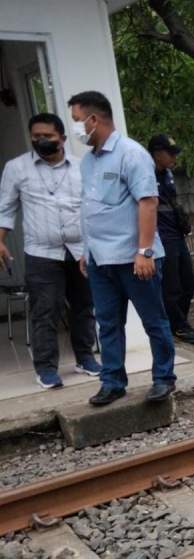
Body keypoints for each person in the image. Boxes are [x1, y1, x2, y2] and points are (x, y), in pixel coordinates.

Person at [69, 91, 176, 405]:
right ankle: (113, 381)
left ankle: (163, 378)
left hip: (135, 258)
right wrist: (86, 252)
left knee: (153, 320)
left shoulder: (131, 153)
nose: (76, 128)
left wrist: (144, 251)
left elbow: (148, 202)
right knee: (108, 323)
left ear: (94, 119)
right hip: (101, 260)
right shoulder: (88, 162)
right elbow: (89, 208)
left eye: (77, 121)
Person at [0, 113, 100, 389]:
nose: (41, 141)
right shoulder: (17, 168)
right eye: (36, 137)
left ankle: (85, 358)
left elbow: (93, 207)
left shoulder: (83, 167)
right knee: (46, 309)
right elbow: (5, 208)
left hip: (80, 249)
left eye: (48, 136)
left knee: (84, 306)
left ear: (63, 139)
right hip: (41, 252)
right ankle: (46, 368)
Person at [148, 134, 194, 345]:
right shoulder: (145, 174)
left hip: (176, 234)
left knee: (188, 283)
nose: (174, 158)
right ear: (157, 153)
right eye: (170, 154)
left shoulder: (167, 174)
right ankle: (177, 325)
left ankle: (181, 321)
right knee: (172, 286)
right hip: (162, 237)